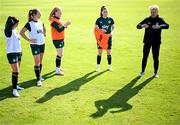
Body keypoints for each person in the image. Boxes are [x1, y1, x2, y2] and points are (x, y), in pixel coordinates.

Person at [137, 5, 169, 78]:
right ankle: (142, 71)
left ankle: (155, 73)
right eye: (152, 12)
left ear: (157, 12)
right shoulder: (147, 19)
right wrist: (142, 26)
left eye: (154, 12)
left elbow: (167, 26)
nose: (153, 13)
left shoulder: (160, 20)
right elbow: (138, 26)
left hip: (156, 42)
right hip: (147, 41)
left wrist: (159, 27)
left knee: (155, 57)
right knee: (145, 56)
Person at [20, 9, 46, 86]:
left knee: (40, 61)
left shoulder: (41, 22)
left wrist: (44, 34)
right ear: (34, 15)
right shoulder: (29, 24)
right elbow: (21, 32)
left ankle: (39, 76)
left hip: (42, 44)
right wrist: (29, 39)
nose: (40, 13)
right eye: (39, 13)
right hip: (34, 45)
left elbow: (44, 30)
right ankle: (38, 80)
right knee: (37, 62)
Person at [4, 16, 24, 97]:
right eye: (16, 24)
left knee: (17, 70)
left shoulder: (15, 30)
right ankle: (14, 90)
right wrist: (10, 23)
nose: (17, 25)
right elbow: (8, 32)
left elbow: (18, 40)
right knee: (16, 70)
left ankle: (15, 85)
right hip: (11, 53)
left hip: (18, 52)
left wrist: (21, 50)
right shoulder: (7, 31)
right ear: (12, 23)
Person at [49, 7, 71, 75]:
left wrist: (65, 25)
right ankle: (57, 70)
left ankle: (58, 67)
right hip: (57, 39)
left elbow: (61, 27)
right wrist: (66, 24)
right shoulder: (53, 21)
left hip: (61, 39)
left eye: (61, 12)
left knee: (61, 53)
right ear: (55, 12)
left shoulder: (58, 19)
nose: (61, 13)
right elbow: (59, 29)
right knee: (59, 54)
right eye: (59, 12)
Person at [95, 6, 115, 72]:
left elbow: (113, 28)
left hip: (108, 38)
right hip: (101, 39)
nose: (106, 13)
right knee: (99, 52)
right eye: (104, 12)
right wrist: (101, 30)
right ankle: (98, 67)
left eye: (106, 11)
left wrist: (111, 33)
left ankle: (109, 66)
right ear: (101, 12)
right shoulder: (98, 20)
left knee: (108, 53)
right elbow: (96, 29)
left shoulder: (111, 19)